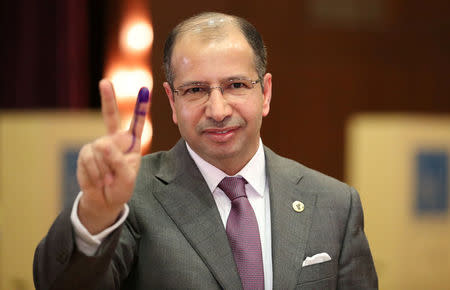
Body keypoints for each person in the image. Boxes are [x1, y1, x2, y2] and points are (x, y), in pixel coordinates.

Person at [33, 12, 378, 290]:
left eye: (236, 85)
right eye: (196, 89)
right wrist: (96, 212)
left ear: (266, 93)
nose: (217, 110)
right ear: (171, 100)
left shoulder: (334, 203)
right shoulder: (132, 199)